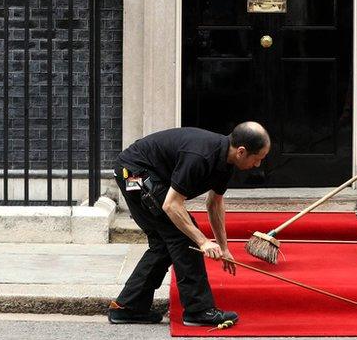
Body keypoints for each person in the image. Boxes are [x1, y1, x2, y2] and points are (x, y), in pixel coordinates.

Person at [107, 122, 270, 326]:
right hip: (132, 173)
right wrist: (203, 242)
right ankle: (198, 310)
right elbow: (171, 205)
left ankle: (128, 307)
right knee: (184, 237)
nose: (258, 165)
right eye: (258, 159)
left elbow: (214, 205)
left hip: (144, 173)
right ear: (242, 151)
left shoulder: (225, 163)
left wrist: (224, 247)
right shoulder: (201, 156)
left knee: (163, 244)